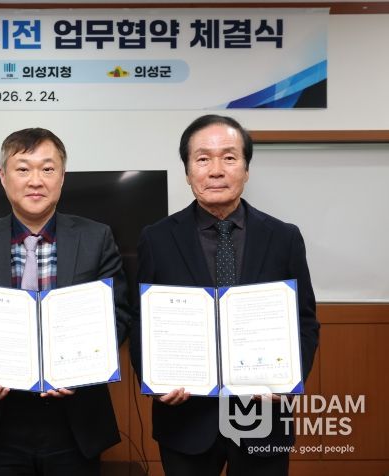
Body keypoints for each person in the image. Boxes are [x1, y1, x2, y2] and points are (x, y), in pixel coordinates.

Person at [131, 115, 319, 476]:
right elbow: (141, 322)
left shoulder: (284, 237)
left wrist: (288, 381)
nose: (216, 170)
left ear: (246, 169)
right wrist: (155, 381)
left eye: (229, 158)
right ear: (188, 172)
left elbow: (305, 321)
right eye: (203, 159)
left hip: (263, 416)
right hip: (185, 420)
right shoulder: (156, 238)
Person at [0, 127, 131, 475]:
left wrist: (83, 370)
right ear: (3, 177)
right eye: (23, 169)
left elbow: (117, 313)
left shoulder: (96, 237)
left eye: (47, 169)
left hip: (76, 420)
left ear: (62, 177)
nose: (36, 180)